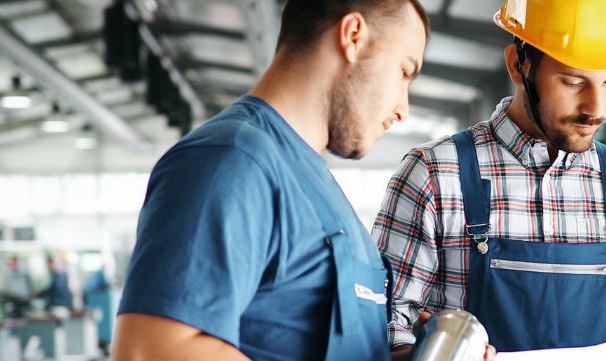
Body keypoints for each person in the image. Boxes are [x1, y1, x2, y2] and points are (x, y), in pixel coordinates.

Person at [375, 1, 606, 359]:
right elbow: (381, 329)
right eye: (574, 82)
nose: (595, 107)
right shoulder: (433, 175)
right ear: (517, 65)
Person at [110, 0, 434, 360]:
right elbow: (152, 349)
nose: (403, 109)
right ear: (353, 36)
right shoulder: (229, 161)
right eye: (404, 72)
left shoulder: (311, 180)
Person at [82, 265, 114, 355]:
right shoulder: (98, 276)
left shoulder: (95, 277)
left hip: (96, 300)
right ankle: (102, 344)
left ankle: (102, 344)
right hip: (99, 300)